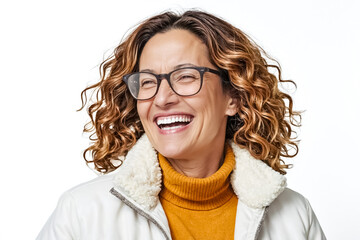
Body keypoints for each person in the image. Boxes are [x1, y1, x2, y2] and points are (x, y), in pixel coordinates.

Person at [37, 10, 326, 240]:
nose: (162, 98)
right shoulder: (82, 213)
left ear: (233, 97)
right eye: (148, 82)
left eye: (186, 76)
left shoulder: (293, 215)